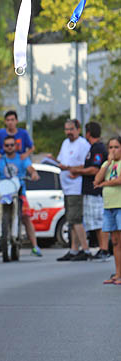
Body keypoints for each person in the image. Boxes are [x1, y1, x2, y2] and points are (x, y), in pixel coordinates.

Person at [0, 134, 41, 260]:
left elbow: (30, 169)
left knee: (26, 217)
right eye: (7, 145)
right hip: (3, 194)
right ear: (3, 147)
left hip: (19, 193)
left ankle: (35, 246)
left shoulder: (22, 158)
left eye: (11, 145)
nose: (9, 147)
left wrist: (34, 174)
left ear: (16, 146)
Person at [50, 119, 92, 261]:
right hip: (66, 187)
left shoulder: (83, 144)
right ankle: (74, 249)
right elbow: (62, 162)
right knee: (71, 219)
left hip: (76, 187)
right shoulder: (65, 143)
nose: (69, 132)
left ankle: (85, 249)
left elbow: (85, 165)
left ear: (78, 129)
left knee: (76, 218)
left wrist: (69, 169)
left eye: (71, 129)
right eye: (66, 129)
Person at [68, 122, 110, 260]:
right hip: (89, 190)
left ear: (88, 133)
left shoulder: (98, 148)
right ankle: (101, 248)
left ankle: (104, 249)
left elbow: (95, 169)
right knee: (94, 222)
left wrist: (78, 171)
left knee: (99, 222)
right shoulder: (93, 148)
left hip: (95, 191)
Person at [94, 136, 121, 284]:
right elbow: (97, 180)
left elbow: (119, 180)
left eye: (116, 147)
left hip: (120, 205)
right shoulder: (107, 164)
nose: (113, 150)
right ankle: (117, 274)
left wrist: (105, 183)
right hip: (109, 206)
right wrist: (107, 164)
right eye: (110, 147)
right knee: (115, 241)